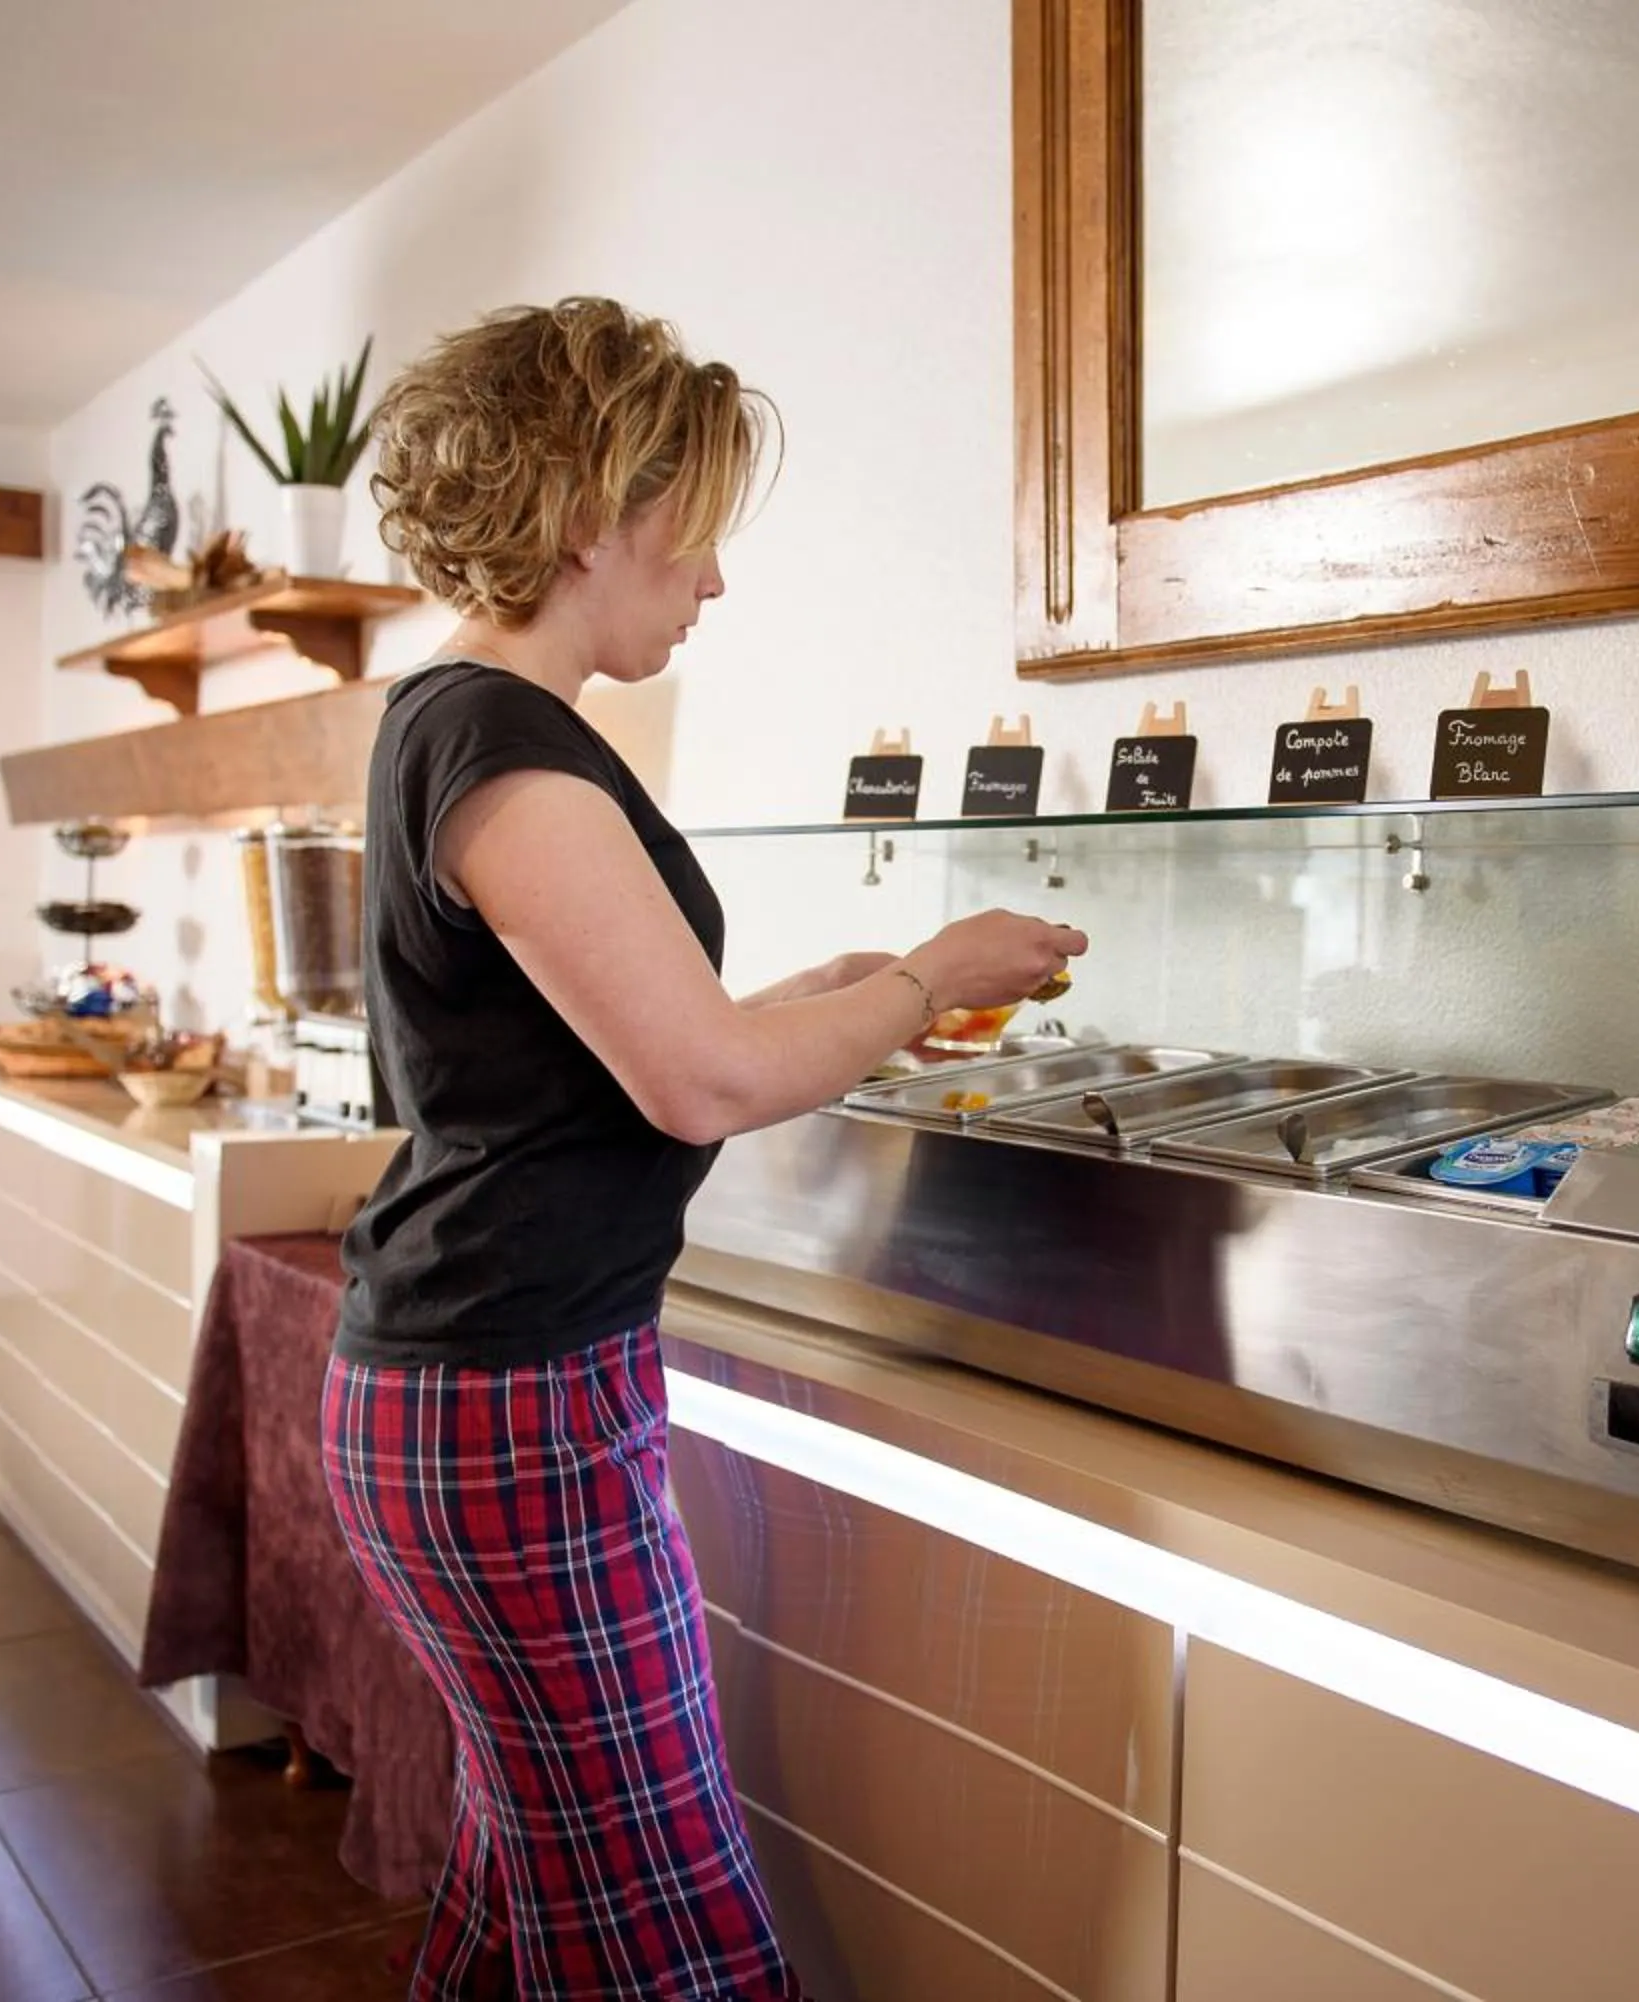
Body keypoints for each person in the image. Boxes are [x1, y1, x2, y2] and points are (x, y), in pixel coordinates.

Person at [319, 297, 1083, 2000]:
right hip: (501, 1398)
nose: (717, 580)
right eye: (703, 530)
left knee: (547, 1877)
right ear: (599, 513)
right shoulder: (500, 740)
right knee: (664, 1922)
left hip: (481, 1378)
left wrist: (852, 993)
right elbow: (700, 1082)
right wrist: (925, 974)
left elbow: (636, 1041)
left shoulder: (464, 727)